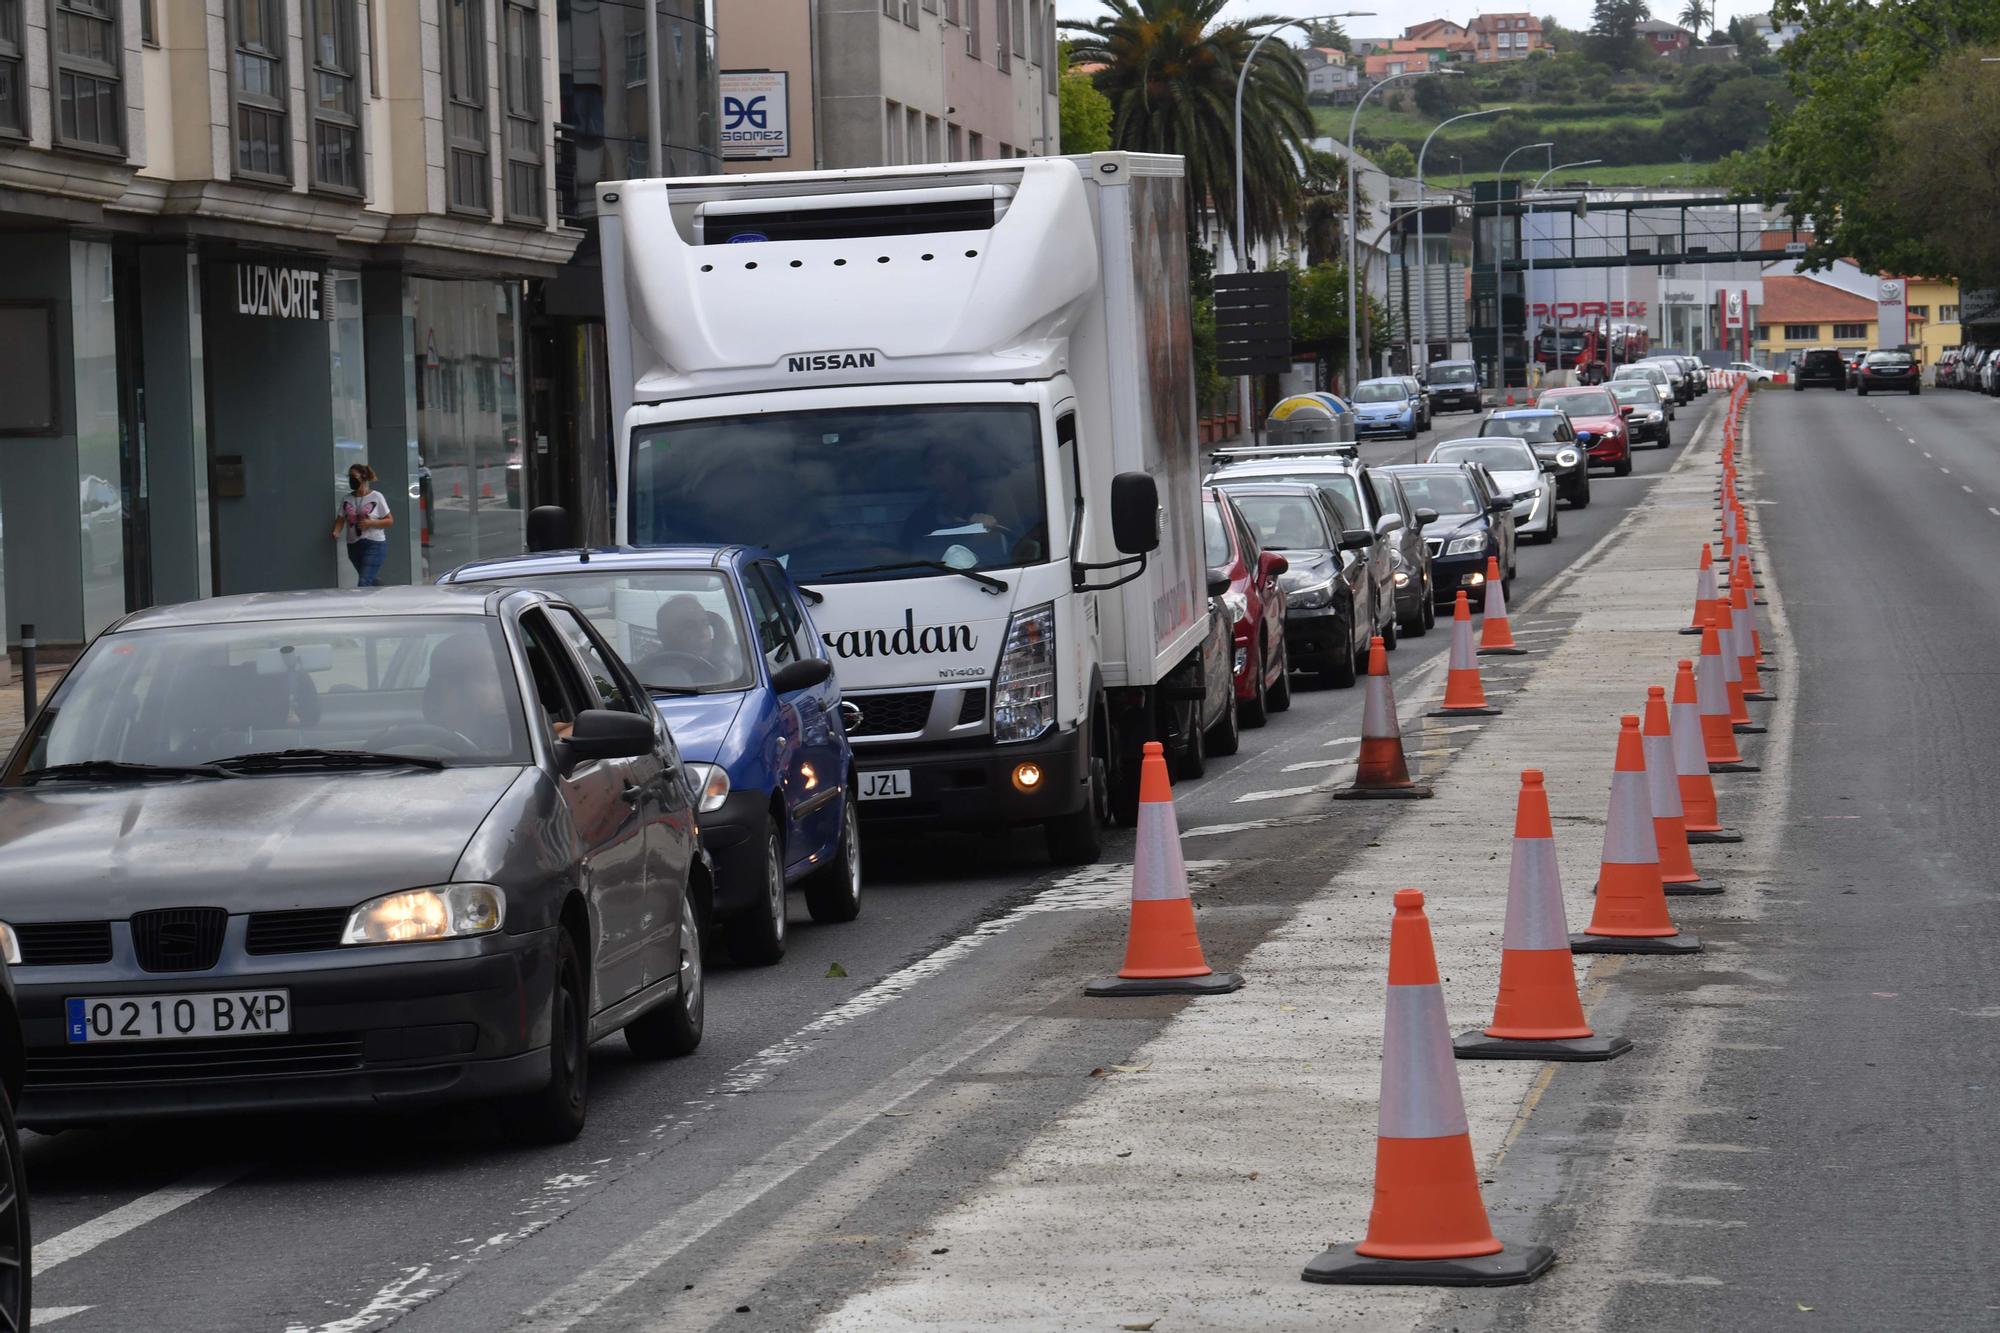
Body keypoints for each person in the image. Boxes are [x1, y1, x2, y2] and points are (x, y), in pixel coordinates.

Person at [900, 447, 1004, 548]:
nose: (933, 480)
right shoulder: (917, 522)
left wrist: (989, 528)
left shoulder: (990, 507)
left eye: (939, 470)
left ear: (962, 473)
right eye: (928, 472)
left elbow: (1015, 549)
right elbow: (907, 559)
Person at [333, 464, 394, 586]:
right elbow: (341, 518)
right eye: (349, 477)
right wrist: (336, 531)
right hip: (353, 546)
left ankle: (359, 604)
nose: (351, 479)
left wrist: (371, 523)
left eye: (354, 476)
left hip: (374, 544)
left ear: (363, 477)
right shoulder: (347, 499)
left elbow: (389, 521)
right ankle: (382, 591)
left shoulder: (377, 496)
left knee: (364, 582)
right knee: (368, 579)